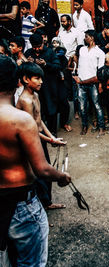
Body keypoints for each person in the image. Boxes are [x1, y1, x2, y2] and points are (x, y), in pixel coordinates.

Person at [0, 55, 71, 266]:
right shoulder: (20, 119)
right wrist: (62, 176)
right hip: (20, 201)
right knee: (30, 262)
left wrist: (50, 138)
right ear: (17, 81)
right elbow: (42, 169)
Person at [15, 62, 67, 210]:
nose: (41, 82)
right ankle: (42, 207)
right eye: (37, 78)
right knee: (39, 175)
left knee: (46, 172)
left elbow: (40, 122)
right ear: (26, 79)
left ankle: (47, 203)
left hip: (39, 138)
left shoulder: (35, 95)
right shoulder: (25, 100)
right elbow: (31, 130)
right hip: (31, 141)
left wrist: (52, 137)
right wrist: (51, 140)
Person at [24, 34, 62, 136]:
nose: (37, 49)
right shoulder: (28, 53)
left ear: (43, 43)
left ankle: (52, 132)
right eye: (34, 47)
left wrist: (46, 64)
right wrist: (28, 63)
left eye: (39, 46)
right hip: (35, 89)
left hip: (49, 86)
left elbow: (57, 66)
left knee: (51, 109)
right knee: (38, 110)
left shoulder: (50, 52)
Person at [72, 30, 106, 136]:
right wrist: (76, 72)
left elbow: (100, 72)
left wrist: (100, 85)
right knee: (82, 107)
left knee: (97, 106)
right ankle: (84, 126)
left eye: (86, 36)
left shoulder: (100, 53)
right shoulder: (82, 49)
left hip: (93, 83)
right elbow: (78, 61)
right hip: (81, 83)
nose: (84, 38)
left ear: (92, 38)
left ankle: (101, 127)